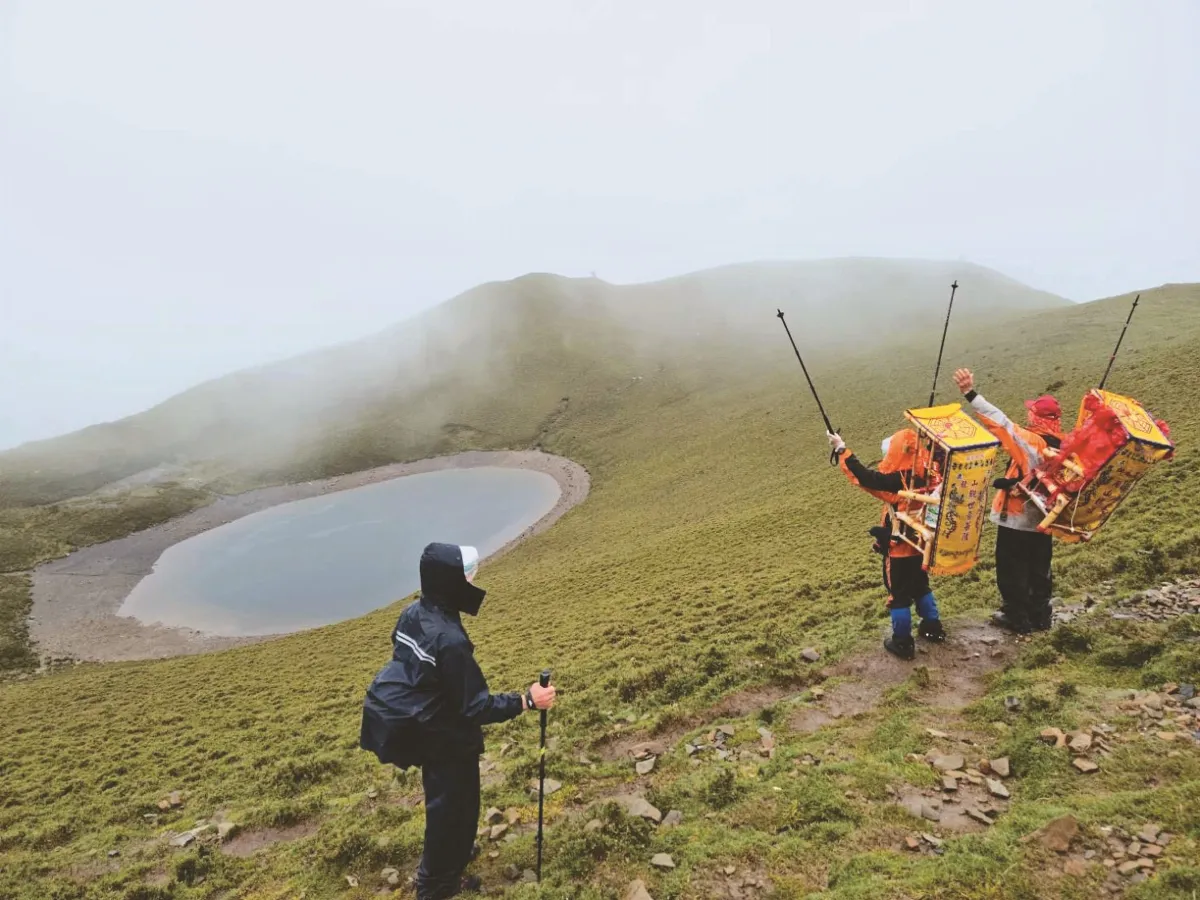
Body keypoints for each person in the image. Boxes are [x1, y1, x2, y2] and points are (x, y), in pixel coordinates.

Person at [359, 542, 556, 900]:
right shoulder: (449, 641)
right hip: (446, 740)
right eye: (466, 575)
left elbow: (412, 663)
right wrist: (527, 701)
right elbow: (476, 706)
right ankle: (435, 887)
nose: (472, 580)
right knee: (450, 813)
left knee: (456, 808)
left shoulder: (413, 613)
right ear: (449, 582)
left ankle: (454, 862)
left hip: (430, 728)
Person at [953, 368, 1062, 633]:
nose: (1028, 415)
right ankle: (1041, 615)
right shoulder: (1067, 445)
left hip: (1017, 517)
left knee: (1012, 568)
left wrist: (970, 394)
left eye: (1031, 412)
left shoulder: (1032, 441)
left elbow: (1000, 422)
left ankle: (1017, 617)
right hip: (1048, 518)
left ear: (1036, 416)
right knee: (1040, 567)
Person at [828, 428, 947, 660]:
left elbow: (865, 478)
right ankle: (933, 627)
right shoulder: (932, 473)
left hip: (900, 547)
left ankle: (902, 642)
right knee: (921, 585)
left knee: (899, 594)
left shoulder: (897, 481)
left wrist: (841, 449)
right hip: (922, 544)